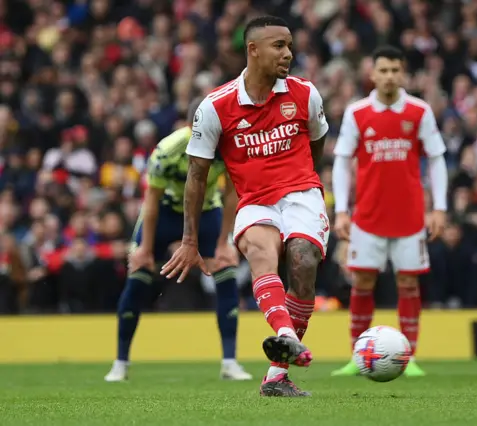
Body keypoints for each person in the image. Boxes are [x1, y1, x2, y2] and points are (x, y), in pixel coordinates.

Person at [160, 16, 330, 397]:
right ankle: (286, 336)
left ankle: (276, 372)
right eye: (279, 46)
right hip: (254, 202)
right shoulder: (215, 106)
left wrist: (302, 181)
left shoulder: (305, 93)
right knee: (260, 252)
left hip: (302, 193)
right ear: (253, 50)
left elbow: (317, 144)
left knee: (302, 261)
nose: (288, 54)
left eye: (289, 46)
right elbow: (197, 175)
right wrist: (189, 240)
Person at [104, 98, 252, 382]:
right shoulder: (167, 150)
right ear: (189, 126)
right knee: (139, 274)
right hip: (164, 214)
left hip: (206, 212)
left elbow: (232, 194)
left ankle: (229, 362)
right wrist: (145, 249)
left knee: (226, 269)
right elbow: (151, 200)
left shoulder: (229, 148)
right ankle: (120, 363)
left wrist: (224, 242)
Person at [330, 46, 448, 377]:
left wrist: (439, 208)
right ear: (372, 73)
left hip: (410, 216)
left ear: (403, 74)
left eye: (395, 70)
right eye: (383, 70)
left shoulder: (419, 111)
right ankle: (358, 356)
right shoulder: (357, 113)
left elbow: (436, 158)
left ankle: (409, 358)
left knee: (409, 284)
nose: (389, 76)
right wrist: (341, 210)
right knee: (362, 281)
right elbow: (342, 161)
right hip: (367, 215)